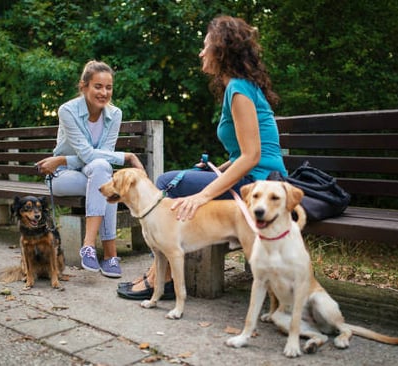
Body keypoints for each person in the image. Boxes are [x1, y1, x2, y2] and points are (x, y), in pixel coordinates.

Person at [117, 15, 287, 299]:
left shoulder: (239, 89)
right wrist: (216, 169)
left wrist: (203, 195)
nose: (201, 52)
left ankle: (162, 277)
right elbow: (244, 152)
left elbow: (253, 154)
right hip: (254, 176)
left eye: (205, 46)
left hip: (260, 184)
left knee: (168, 183)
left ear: (221, 51)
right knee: (178, 178)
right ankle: (160, 272)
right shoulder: (239, 86)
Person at [36, 60, 144, 279]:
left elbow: (99, 156)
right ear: (83, 86)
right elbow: (86, 155)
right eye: (98, 86)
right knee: (105, 177)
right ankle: (110, 253)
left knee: (103, 170)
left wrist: (61, 159)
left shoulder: (115, 114)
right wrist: (127, 157)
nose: (104, 92)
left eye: (108, 87)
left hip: (90, 172)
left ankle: (89, 247)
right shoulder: (67, 111)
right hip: (62, 177)